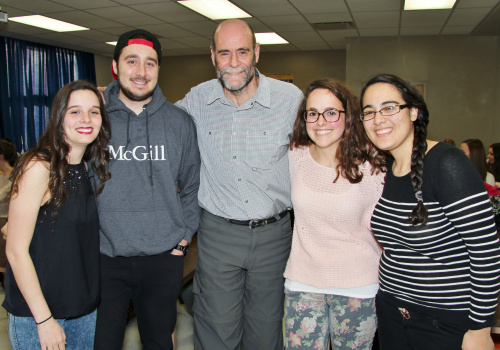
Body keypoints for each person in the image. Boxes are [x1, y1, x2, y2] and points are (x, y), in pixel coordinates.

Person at [175, 19, 303, 350]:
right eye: (225, 53)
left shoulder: (290, 100)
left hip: (274, 235)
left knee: (265, 331)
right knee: (216, 331)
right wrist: (116, 105)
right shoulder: (197, 99)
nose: (233, 62)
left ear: (256, 52)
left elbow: (324, 151)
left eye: (242, 52)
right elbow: (162, 129)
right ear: (213, 56)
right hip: (218, 234)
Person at [359, 73, 500, 350]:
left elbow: (486, 251)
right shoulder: (388, 169)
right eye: (369, 112)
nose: (378, 119)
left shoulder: (447, 164)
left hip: (443, 321)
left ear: (413, 112)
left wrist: (480, 329)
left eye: (389, 107)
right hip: (391, 312)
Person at [93, 29, 201, 350]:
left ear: (158, 69)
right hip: (104, 258)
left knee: (158, 342)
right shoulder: (95, 118)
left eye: (150, 63)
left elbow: (194, 184)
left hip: (162, 259)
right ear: (115, 66)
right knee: (103, 343)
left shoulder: (179, 122)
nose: (141, 72)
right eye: (132, 61)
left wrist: (184, 237)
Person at [2, 80, 111, 350]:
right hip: (41, 315)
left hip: (83, 309)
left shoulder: (87, 167)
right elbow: (15, 250)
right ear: (59, 116)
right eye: (75, 111)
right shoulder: (39, 167)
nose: (86, 119)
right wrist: (45, 320)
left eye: (94, 111)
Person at [283, 79, 385, 349]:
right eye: (312, 113)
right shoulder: (295, 155)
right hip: (303, 282)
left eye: (331, 112)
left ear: (347, 116)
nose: (321, 121)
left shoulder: (373, 164)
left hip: (358, 286)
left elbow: (387, 230)